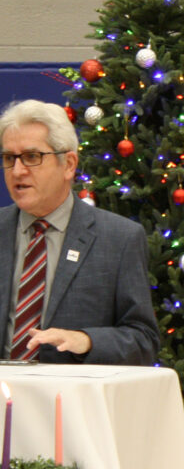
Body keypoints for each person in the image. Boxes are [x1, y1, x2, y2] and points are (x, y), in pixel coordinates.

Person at [0, 99, 159, 365]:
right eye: (8, 158)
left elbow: (143, 340)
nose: (17, 171)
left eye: (31, 157)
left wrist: (85, 341)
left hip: (74, 401)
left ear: (69, 164)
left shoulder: (119, 239)